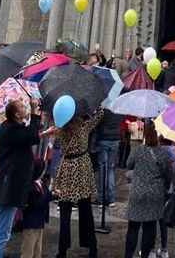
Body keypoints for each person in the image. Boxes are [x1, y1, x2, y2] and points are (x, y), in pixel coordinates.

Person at [0, 96, 40, 258]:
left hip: (3, 186)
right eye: (21, 106)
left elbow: (29, 134)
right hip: (9, 189)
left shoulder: (10, 127)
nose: (25, 107)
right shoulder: (13, 131)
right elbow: (31, 138)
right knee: (2, 234)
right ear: (16, 115)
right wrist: (35, 112)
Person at [51, 109, 103, 258]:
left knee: (65, 210)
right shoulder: (84, 127)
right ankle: (92, 247)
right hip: (82, 168)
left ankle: (62, 250)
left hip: (67, 168)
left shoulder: (61, 131)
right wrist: (96, 106)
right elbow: (99, 115)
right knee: (86, 209)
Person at [124, 123, 172, 258]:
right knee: (149, 228)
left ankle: (128, 255)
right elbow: (168, 174)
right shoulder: (163, 154)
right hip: (155, 194)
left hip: (137, 192)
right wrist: (166, 187)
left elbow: (128, 164)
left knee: (133, 227)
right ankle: (145, 255)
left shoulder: (139, 150)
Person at [20, 159, 51, 258]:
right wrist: (49, 196)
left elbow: (46, 196)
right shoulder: (30, 187)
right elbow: (36, 203)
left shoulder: (42, 184)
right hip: (30, 224)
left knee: (38, 251)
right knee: (27, 252)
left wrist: (54, 195)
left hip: (39, 223)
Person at [94, 108, 120, 207]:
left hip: (104, 138)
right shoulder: (118, 107)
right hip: (115, 139)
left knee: (103, 169)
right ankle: (111, 198)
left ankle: (101, 198)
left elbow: (96, 121)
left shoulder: (103, 109)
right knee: (110, 169)